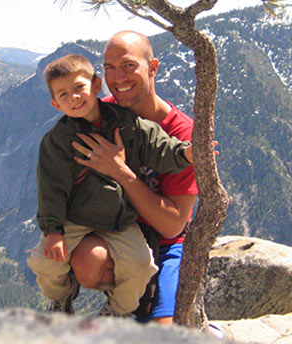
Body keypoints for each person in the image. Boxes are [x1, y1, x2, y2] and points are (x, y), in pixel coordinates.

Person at [27, 53, 195, 317]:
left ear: (95, 85)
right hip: (76, 218)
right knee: (46, 264)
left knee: (141, 266)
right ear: (55, 104)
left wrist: (184, 154)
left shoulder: (125, 122)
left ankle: (117, 312)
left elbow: (156, 145)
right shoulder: (58, 141)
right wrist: (53, 230)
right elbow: (51, 188)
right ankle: (61, 298)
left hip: (121, 220)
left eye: (78, 88)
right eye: (63, 95)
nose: (73, 97)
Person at [69, 30, 199, 325]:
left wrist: (120, 171)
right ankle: (125, 311)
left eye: (129, 66)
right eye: (109, 68)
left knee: (163, 336)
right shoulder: (100, 115)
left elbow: (172, 224)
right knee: (87, 264)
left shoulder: (182, 135)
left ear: (152, 68)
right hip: (120, 234)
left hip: (168, 245)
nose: (118, 78)